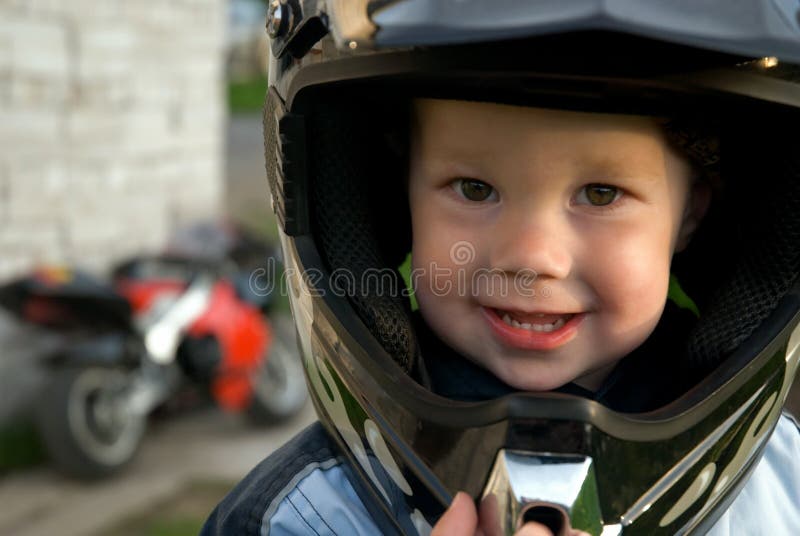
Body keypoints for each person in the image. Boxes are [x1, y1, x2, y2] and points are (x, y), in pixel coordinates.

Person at [203, 2, 800, 535]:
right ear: (389, 200)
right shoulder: (296, 517)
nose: (530, 257)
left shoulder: (787, 484)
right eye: (473, 187)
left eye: (599, 194)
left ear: (692, 216)